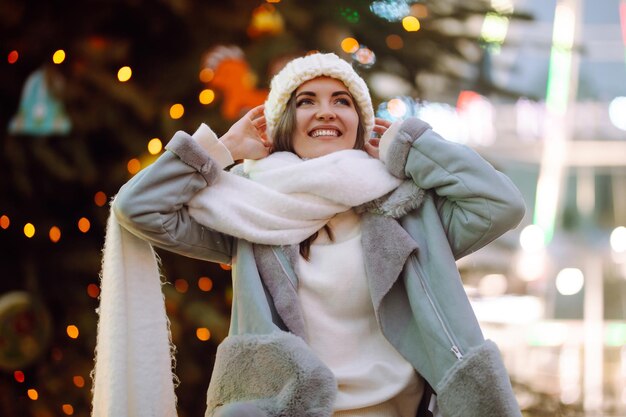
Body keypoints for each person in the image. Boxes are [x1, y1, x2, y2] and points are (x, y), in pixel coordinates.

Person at [92, 53, 526, 417]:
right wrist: (222, 148)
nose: (325, 111)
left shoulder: (411, 210)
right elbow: (138, 207)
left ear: (361, 122)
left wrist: (412, 147)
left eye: (342, 100)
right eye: (306, 101)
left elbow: (500, 204)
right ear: (284, 123)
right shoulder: (250, 214)